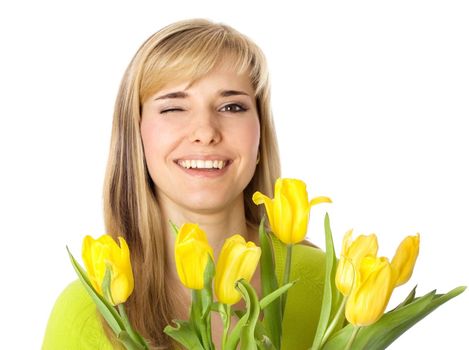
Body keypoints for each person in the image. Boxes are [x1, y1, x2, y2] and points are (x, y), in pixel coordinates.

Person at [42, 19, 325, 350]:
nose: (205, 131)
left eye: (232, 106)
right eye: (174, 107)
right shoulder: (87, 310)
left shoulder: (325, 285)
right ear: (136, 136)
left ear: (260, 136)